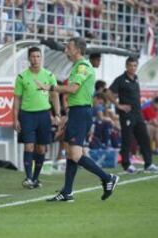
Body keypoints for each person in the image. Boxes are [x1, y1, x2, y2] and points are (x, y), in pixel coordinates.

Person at [38, 37, 119, 202]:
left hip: (81, 113)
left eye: (69, 46)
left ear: (77, 49)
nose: (66, 48)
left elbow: (73, 89)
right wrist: (67, 117)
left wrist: (50, 87)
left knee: (75, 154)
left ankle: (108, 178)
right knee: (70, 154)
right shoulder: (77, 66)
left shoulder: (82, 66)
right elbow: (76, 95)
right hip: (76, 112)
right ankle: (67, 192)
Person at [13, 46, 61, 189]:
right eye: (33, 56)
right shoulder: (22, 77)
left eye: (38, 56)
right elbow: (16, 99)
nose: (35, 59)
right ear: (29, 58)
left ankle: (35, 178)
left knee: (41, 149)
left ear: (41, 58)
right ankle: (28, 178)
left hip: (44, 115)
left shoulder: (49, 75)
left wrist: (57, 114)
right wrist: (15, 119)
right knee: (29, 146)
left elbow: (54, 95)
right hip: (27, 115)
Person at [107, 57, 158, 173]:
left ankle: (148, 164)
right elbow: (108, 93)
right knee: (127, 139)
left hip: (138, 114)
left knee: (144, 139)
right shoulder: (120, 79)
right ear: (126, 66)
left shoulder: (136, 78)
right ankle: (127, 165)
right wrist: (118, 105)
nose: (133, 68)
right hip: (126, 115)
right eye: (130, 65)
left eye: (135, 65)